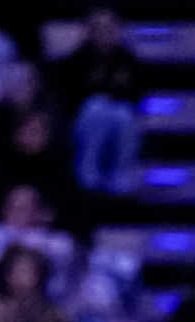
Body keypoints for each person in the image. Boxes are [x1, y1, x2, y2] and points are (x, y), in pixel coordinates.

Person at [54, 7, 140, 194]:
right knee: (96, 107)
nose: (104, 33)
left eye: (109, 28)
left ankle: (121, 176)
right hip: (84, 122)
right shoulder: (75, 61)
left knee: (124, 113)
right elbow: (70, 99)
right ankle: (87, 175)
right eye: (99, 28)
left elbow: (136, 96)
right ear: (89, 31)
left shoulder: (129, 61)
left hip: (119, 121)